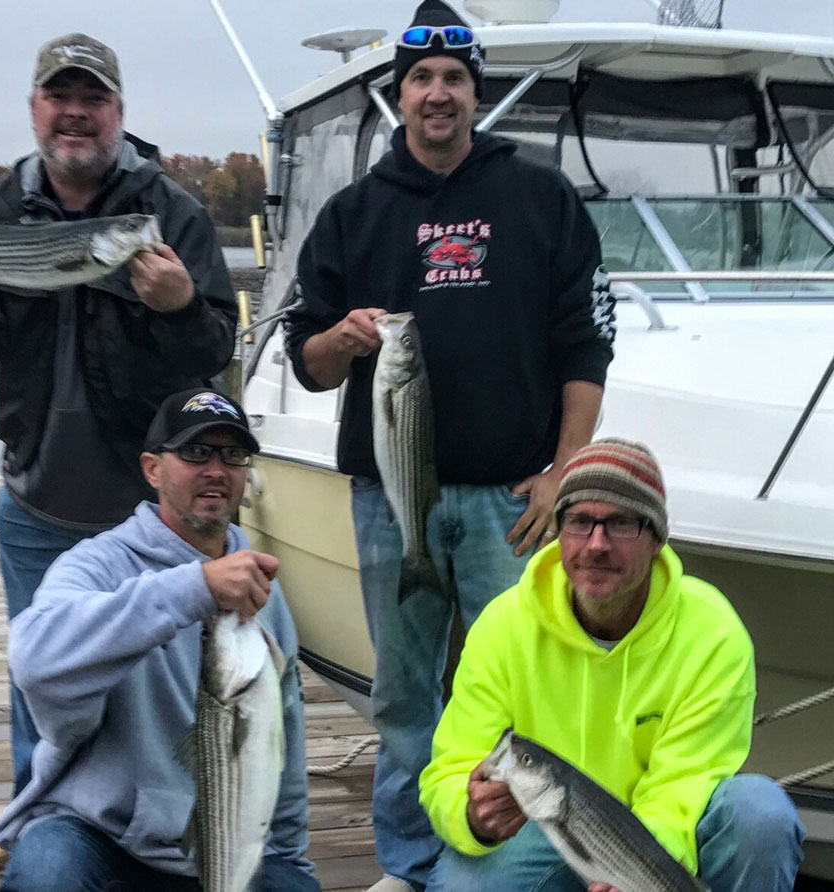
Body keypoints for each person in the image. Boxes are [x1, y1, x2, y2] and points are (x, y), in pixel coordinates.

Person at [282, 1, 615, 889]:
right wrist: (341, 339)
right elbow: (307, 361)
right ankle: (409, 858)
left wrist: (565, 470)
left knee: (527, 682)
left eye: (456, 78)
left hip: (513, 500)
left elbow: (586, 341)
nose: (439, 93)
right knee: (403, 688)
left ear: (476, 92)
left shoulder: (539, 196)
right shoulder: (353, 213)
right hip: (391, 500)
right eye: (422, 78)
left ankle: (525, 858)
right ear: (400, 94)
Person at [0, 33, 238, 881]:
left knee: (162, 670)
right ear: (35, 109)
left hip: (144, 509)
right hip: (37, 494)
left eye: (93, 98)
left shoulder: (168, 211)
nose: (76, 112)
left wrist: (177, 307)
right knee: (39, 667)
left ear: (119, 113)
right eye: (60, 96)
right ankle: (33, 815)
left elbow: (215, 349)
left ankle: (182, 816)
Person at [419, 438, 805, 892]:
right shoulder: (503, 625)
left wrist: (636, 876)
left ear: (657, 540)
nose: (596, 544)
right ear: (558, 531)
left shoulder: (713, 633)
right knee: (463, 883)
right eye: (579, 521)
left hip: (666, 847)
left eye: (621, 524)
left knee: (760, 814)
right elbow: (452, 768)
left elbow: (684, 784)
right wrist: (472, 814)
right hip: (545, 833)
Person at [0, 387, 320, 892]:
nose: (216, 469)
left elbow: (282, 743)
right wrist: (195, 588)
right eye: (195, 452)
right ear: (152, 469)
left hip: (223, 849)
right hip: (103, 839)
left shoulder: (262, 589)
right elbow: (32, 657)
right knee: (47, 867)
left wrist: (290, 859)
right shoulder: (97, 564)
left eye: (232, 455)